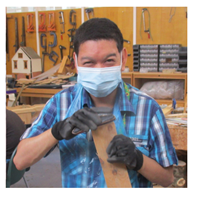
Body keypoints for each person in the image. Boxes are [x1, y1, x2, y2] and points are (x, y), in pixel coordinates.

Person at [11, 18, 178, 188]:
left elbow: (167, 178)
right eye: (89, 62)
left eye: (109, 61)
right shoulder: (61, 103)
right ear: (76, 62)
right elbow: (20, 161)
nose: (99, 70)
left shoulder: (148, 108)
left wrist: (138, 159)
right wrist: (56, 131)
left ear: (123, 57)